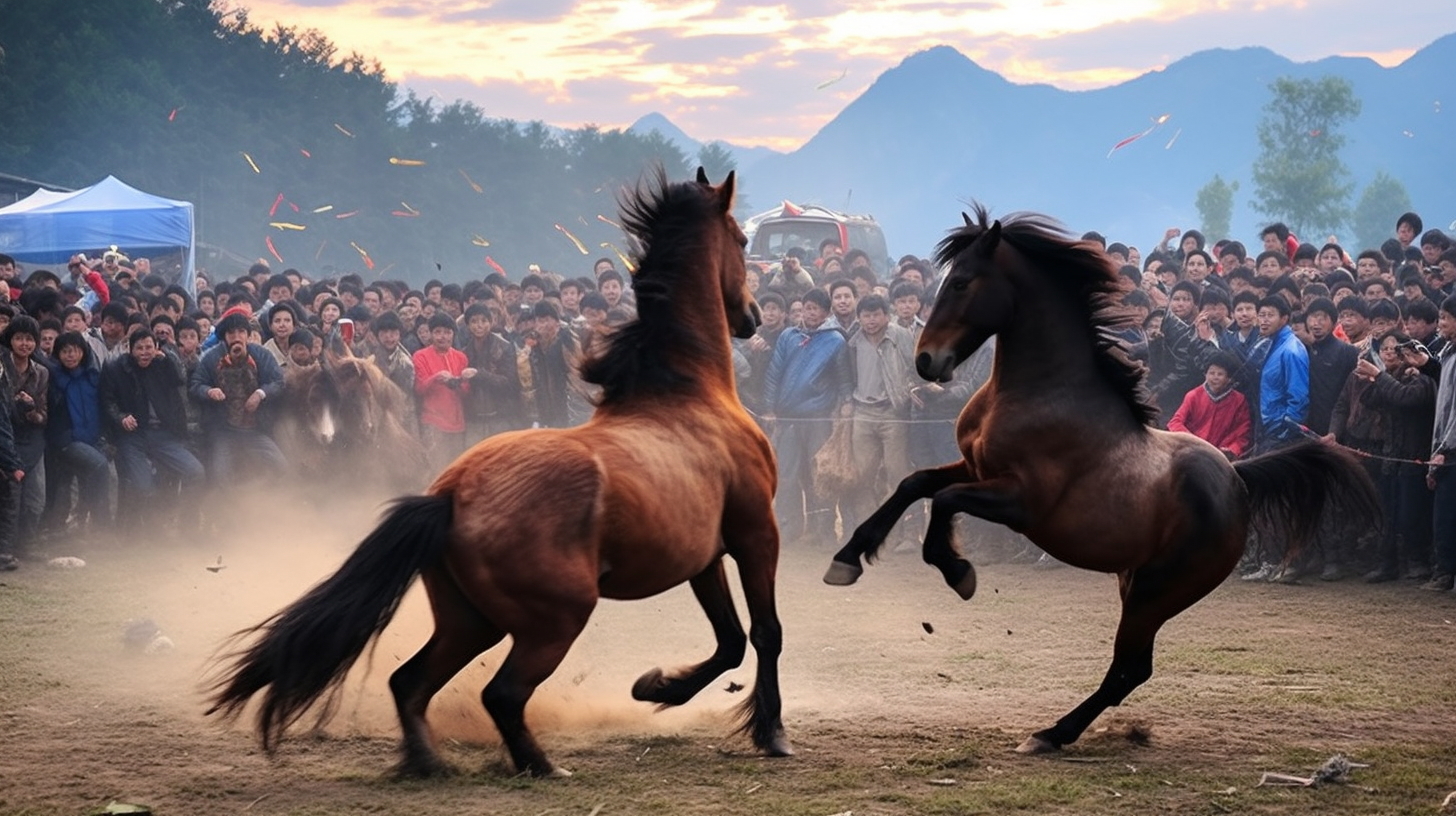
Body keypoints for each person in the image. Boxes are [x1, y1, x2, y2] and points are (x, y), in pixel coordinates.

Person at [763, 288, 852, 544]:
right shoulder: (788, 336)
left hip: (818, 418)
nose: (809, 313)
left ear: (825, 312)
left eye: (815, 309)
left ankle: (824, 530)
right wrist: (769, 407)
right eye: (806, 308)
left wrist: (847, 404)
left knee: (819, 475)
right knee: (787, 474)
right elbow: (774, 373)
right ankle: (787, 528)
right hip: (788, 418)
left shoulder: (836, 340)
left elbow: (844, 380)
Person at [100, 328, 205, 533]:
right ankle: (145, 531)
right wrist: (121, 417)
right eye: (139, 348)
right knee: (145, 487)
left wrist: (168, 357)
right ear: (130, 350)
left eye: (149, 347)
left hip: (163, 434)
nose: (144, 352)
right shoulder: (116, 368)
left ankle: (187, 527)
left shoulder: (163, 364)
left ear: (156, 348)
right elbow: (107, 401)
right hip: (132, 436)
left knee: (196, 472)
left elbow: (180, 378)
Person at [843, 295, 916, 536]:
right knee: (862, 474)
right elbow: (848, 375)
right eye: (866, 315)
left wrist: (910, 391)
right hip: (863, 412)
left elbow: (914, 368)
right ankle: (869, 528)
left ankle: (901, 532)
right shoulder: (853, 341)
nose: (871, 320)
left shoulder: (900, 336)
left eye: (876, 315)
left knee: (897, 473)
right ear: (859, 317)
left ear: (886, 315)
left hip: (892, 411)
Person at [189, 310, 288, 483]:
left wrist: (260, 394)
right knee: (220, 475)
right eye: (231, 333)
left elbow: (278, 382)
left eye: (241, 332)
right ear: (224, 337)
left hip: (254, 429)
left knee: (281, 466)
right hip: (224, 429)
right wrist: (209, 391)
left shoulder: (261, 355)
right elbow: (196, 384)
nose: (236, 337)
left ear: (248, 335)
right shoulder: (211, 358)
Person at [41, 332, 113, 541]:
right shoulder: (53, 377)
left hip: (92, 438)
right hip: (66, 440)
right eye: (65, 351)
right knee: (99, 466)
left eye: (75, 350)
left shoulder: (93, 376)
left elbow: (103, 407)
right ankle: (102, 526)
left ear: (83, 352)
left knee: (93, 477)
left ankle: (85, 525)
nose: (70, 355)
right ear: (58, 354)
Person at [0, 317, 48, 553]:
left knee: (35, 497)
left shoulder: (41, 373)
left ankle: (26, 544)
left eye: (29, 339)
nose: (24, 344)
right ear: (10, 340)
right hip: (4, 436)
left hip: (31, 439)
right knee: (10, 495)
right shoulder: (1, 367)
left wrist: (30, 409)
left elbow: (44, 415)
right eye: (19, 338)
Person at [413, 313, 474, 470]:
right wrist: (436, 378)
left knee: (455, 469)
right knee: (435, 469)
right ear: (431, 334)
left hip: (457, 422)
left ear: (453, 334)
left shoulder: (461, 357)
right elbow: (419, 389)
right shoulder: (420, 356)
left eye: (447, 332)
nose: (442, 336)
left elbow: (466, 392)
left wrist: (461, 381)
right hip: (433, 422)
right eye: (437, 332)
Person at [1167, 353, 1252, 460]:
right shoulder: (1193, 396)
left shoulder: (1239, 400)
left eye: (1220, 374)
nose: (1215, 377)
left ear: (1229, 378)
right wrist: (1192, 441)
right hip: (1193, 452)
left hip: (1222, 456)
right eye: (1211, 373)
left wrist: (1232, 450)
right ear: (1205, 375)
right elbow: (1175, 422)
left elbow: (1243, 432)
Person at [459, 303, 523, 440]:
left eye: (484, 321)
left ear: (491, 322)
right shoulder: (464, 352)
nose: (479, 325)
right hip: (474, 418)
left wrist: (480, 375)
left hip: (501, 417)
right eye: (474, 321)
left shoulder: (504, 347)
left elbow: (511, 384)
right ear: (468, 325)